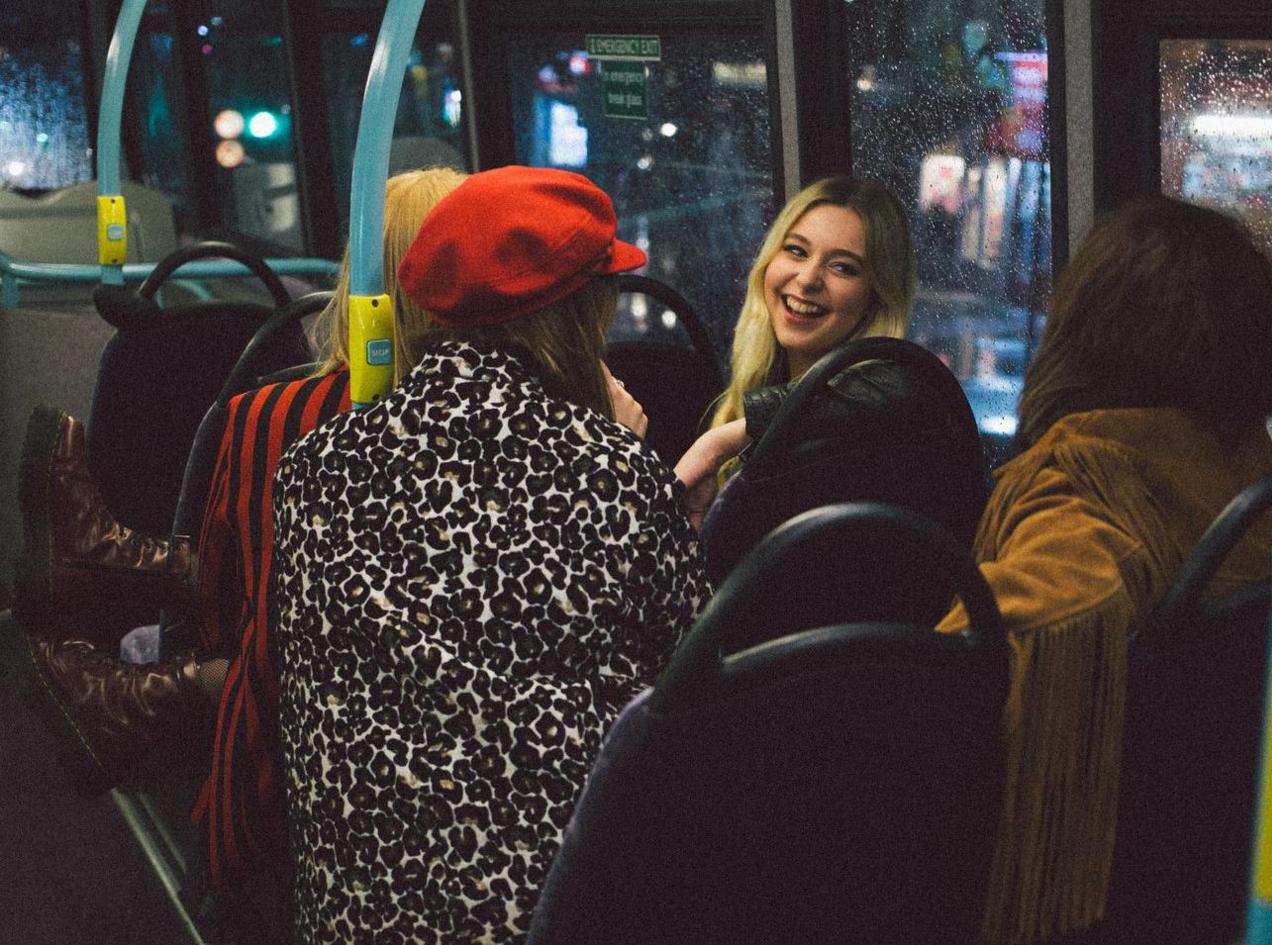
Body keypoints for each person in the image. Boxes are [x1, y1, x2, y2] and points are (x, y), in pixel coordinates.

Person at [3, 168, 469, 933]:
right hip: (444, 741)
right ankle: (110, 581)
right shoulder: (567, 433)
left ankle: (126, 640)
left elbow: (230, 613)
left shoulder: (284, 416)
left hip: (318, 757)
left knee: (247, 602)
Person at [271, 166, 710, 943]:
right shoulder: (613, 473)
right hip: (541, 912)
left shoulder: (316, 464)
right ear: (578, 314)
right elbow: (687, 689)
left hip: (353, 905)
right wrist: (643, 468)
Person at [936, 195, 1272, 945]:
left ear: (1090, 334)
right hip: (1215, 885)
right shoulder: (1254, 480)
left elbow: (1043, 614)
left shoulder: (1084, 483)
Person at [677, 176, 919, 525]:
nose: (807, 279)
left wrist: (718, 442)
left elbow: (905, 396)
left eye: (842, 267)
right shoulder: (756, 394)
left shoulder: (875, 430)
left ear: (875, 297)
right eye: (796, 250)